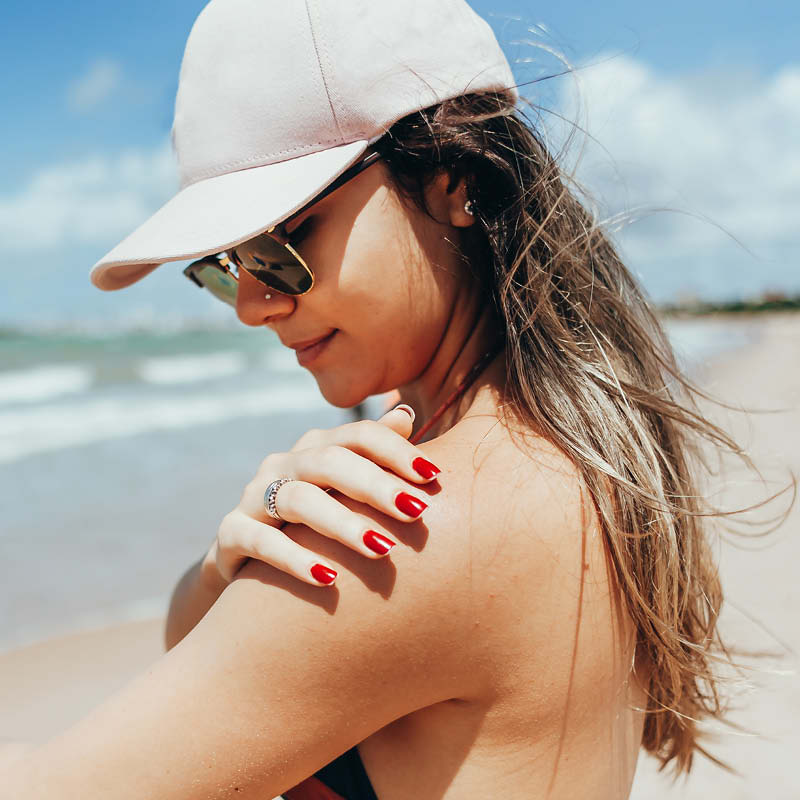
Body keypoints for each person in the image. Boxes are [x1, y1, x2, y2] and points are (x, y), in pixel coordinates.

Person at [2, 1, 762, 798]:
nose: (251, 305)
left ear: (455, 183)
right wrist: (233, 553)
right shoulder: (565, 454)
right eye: (224, 266)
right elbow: (202, 656)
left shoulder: (414, 532)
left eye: (282, 243)